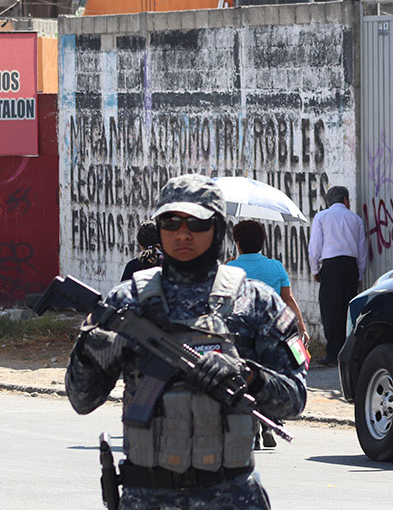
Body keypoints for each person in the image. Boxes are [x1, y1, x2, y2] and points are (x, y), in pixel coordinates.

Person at [65, 174, 308, 510]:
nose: (182, 233)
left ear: (218, 229)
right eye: (171, 221)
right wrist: (91, 352)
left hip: (231, 496)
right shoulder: (126, 302)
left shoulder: (256, 302)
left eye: (196, 223)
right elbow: (82, 400)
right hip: (146, 496)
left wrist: (248, 375)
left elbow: (295, 400)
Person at [229, 219, 309, 450]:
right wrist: (301, 328)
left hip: (240, 334)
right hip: (272, 334)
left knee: (246, 378)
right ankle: (269, 422)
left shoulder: (229, 269)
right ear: (263, 242)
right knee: (269, 377)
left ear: (237, 243)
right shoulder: (276, 267)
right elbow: (288, 299)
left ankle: (253, 427)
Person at [308, 186, 367, 366]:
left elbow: (314, 248)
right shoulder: (356, 219)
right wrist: (359, 274)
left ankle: (333, 354)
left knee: (330, 311)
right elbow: (362, 251)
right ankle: (350, 352)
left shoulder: (321, 217)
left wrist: (315, 270)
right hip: (350, 267)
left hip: (331, 266)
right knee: (348, 310)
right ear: (345, 200)